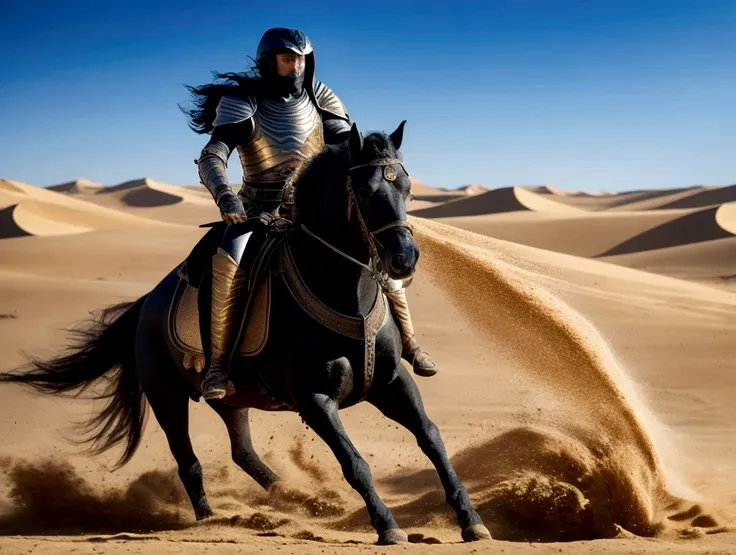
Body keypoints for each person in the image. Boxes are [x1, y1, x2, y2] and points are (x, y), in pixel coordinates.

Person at [181, 27, 438, 400]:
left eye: (301, 60)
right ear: (270, 64)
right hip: (256, 210)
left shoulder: (320, 97)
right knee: (229, 262)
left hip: (312, 208)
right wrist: (226, 198)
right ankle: (219, 365)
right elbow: (213, 154)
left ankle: (410, 344)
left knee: (374, 245)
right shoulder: (245, 101)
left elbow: (347, 149)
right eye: (288, 60)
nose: (296, 67)